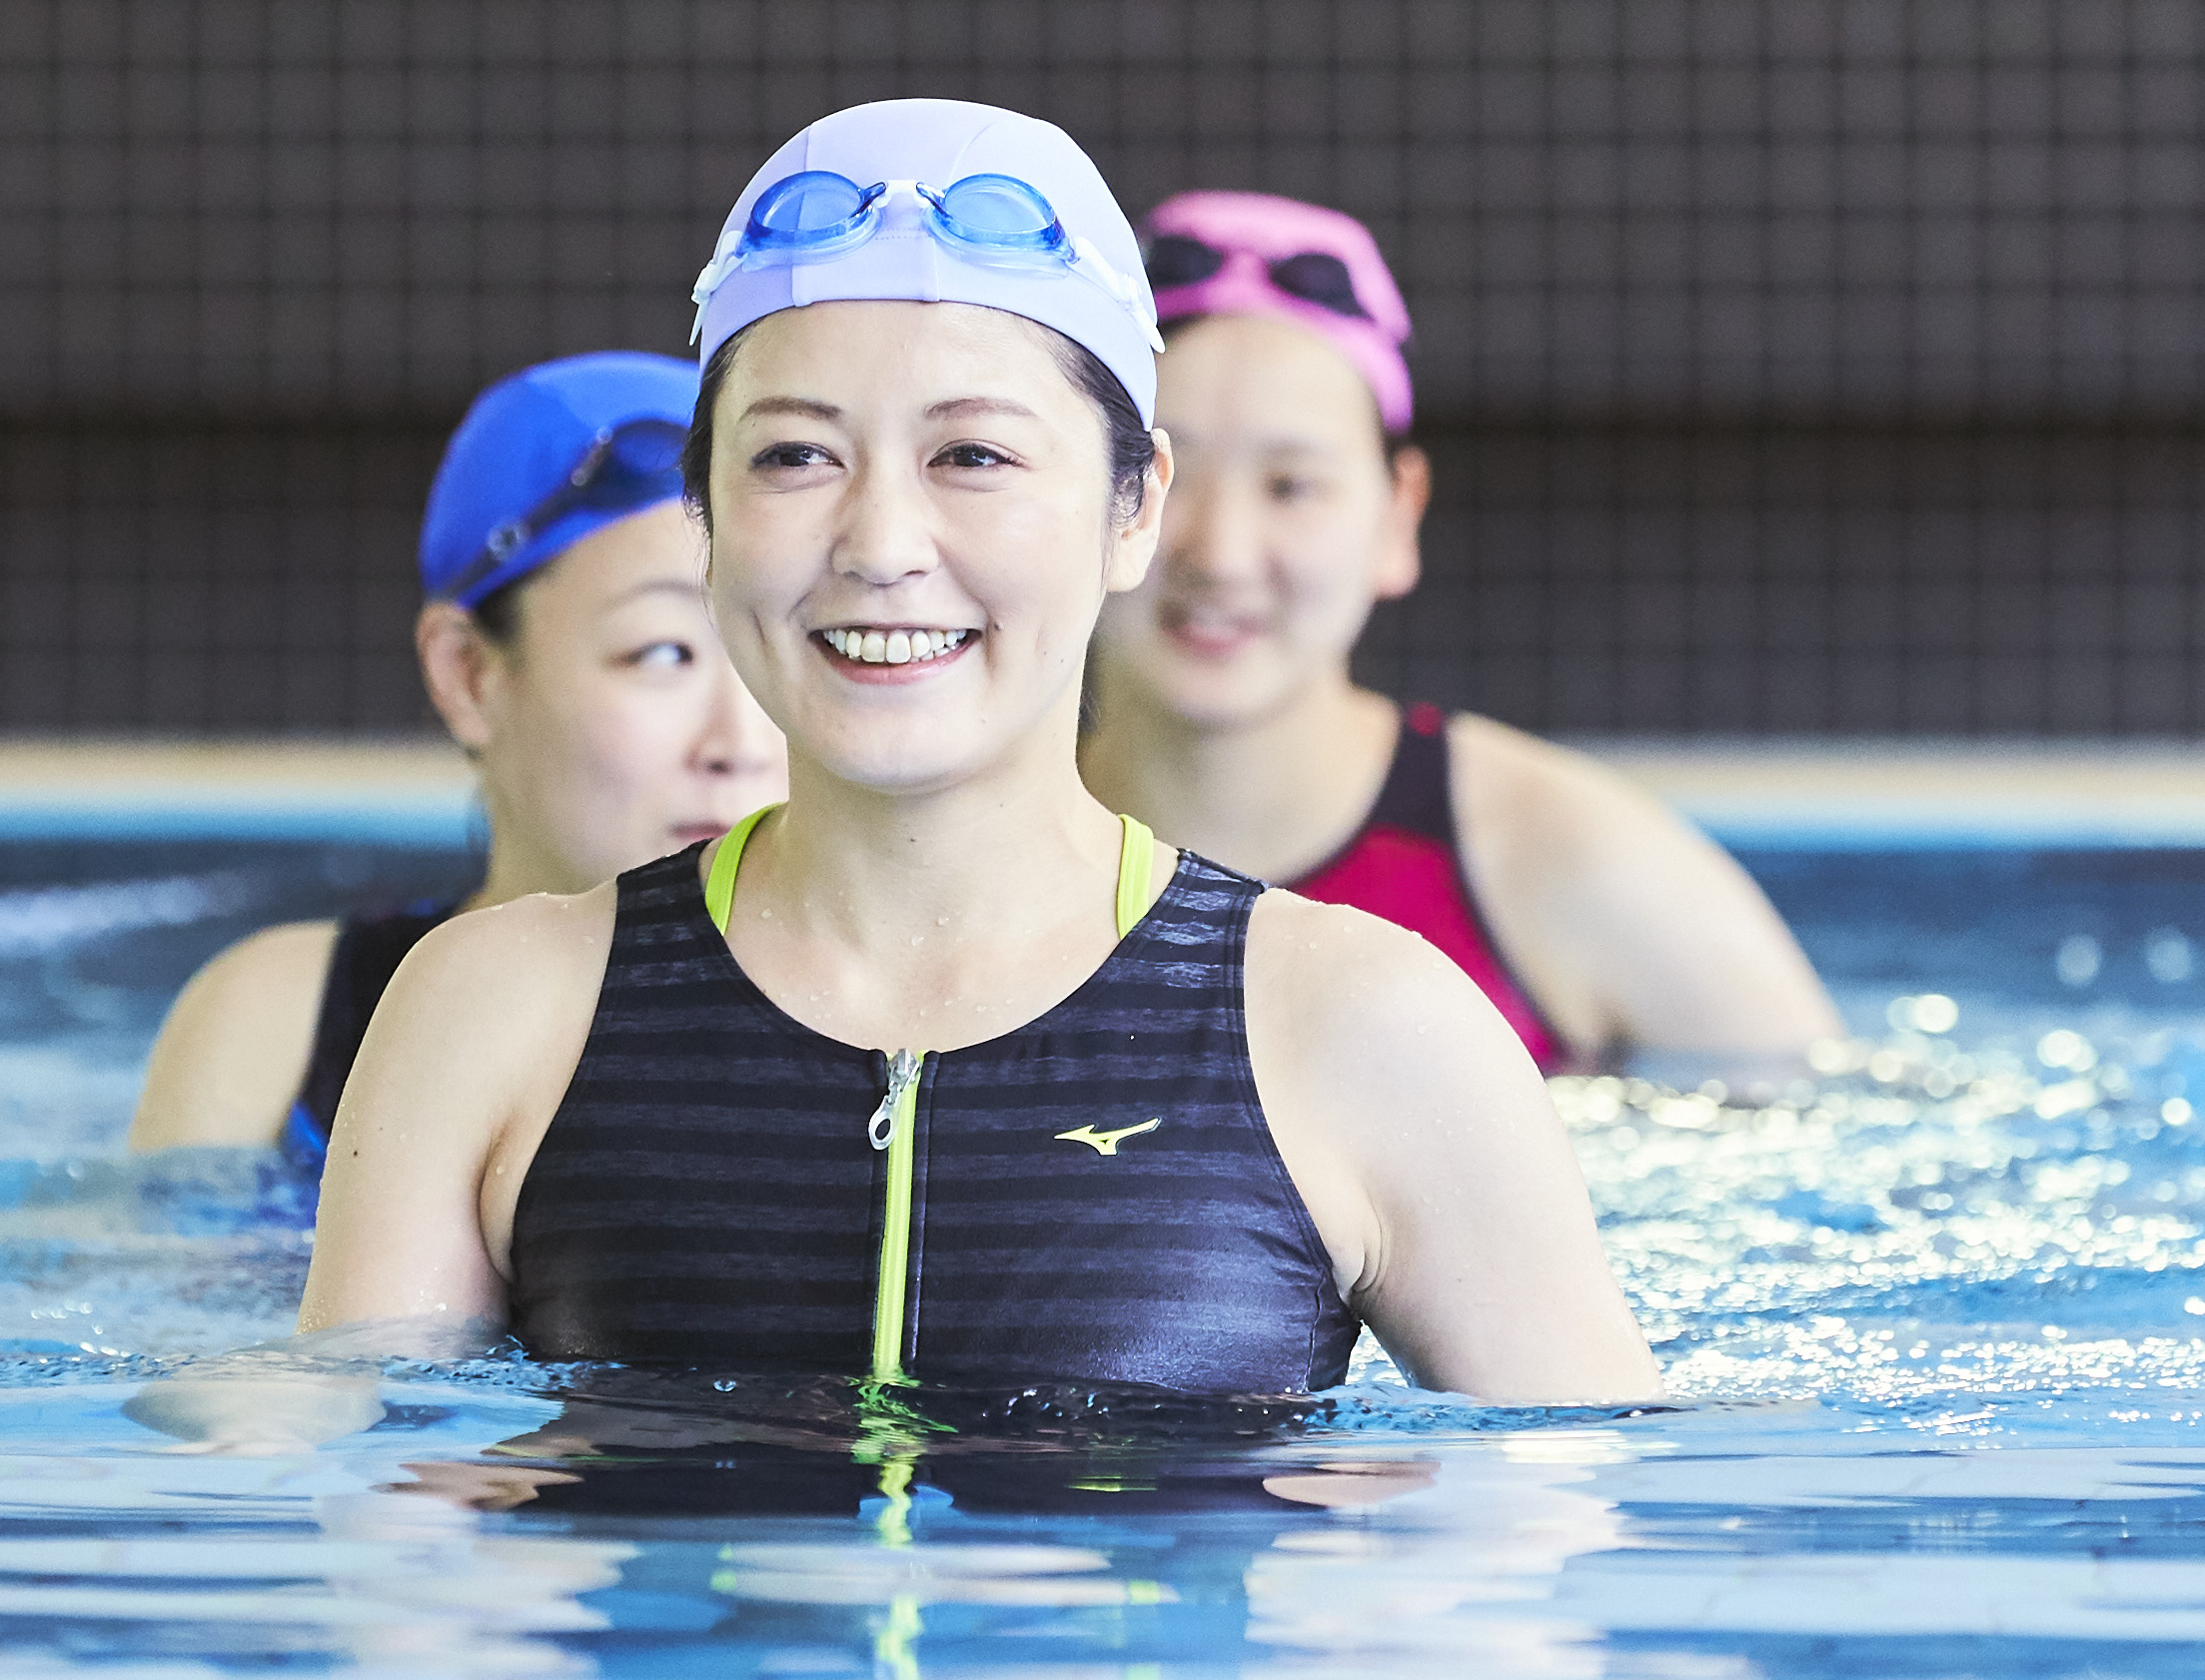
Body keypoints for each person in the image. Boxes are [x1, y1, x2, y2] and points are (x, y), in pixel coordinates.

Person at [299, 99, 1659, 1403]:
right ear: (704, 513)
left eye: (973, 456)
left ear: (1134, 508)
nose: (882, 544)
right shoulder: (492, 1013)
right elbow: (359, 1509)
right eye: (794, 456)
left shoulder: (1361, 1027)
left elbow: (1579, 1522)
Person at [1076, 187, 1838, 1074]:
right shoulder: (961, 837)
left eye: (1292, 485)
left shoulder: (1584, 872)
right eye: (1162, 474)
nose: (1221, 555)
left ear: (1399, 516)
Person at [128, 352, 781, 1159]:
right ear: (468, 675)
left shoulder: (885, 1031)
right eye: (662, 653)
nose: (742, 744)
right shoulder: (287, 1024)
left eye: (768, 646)